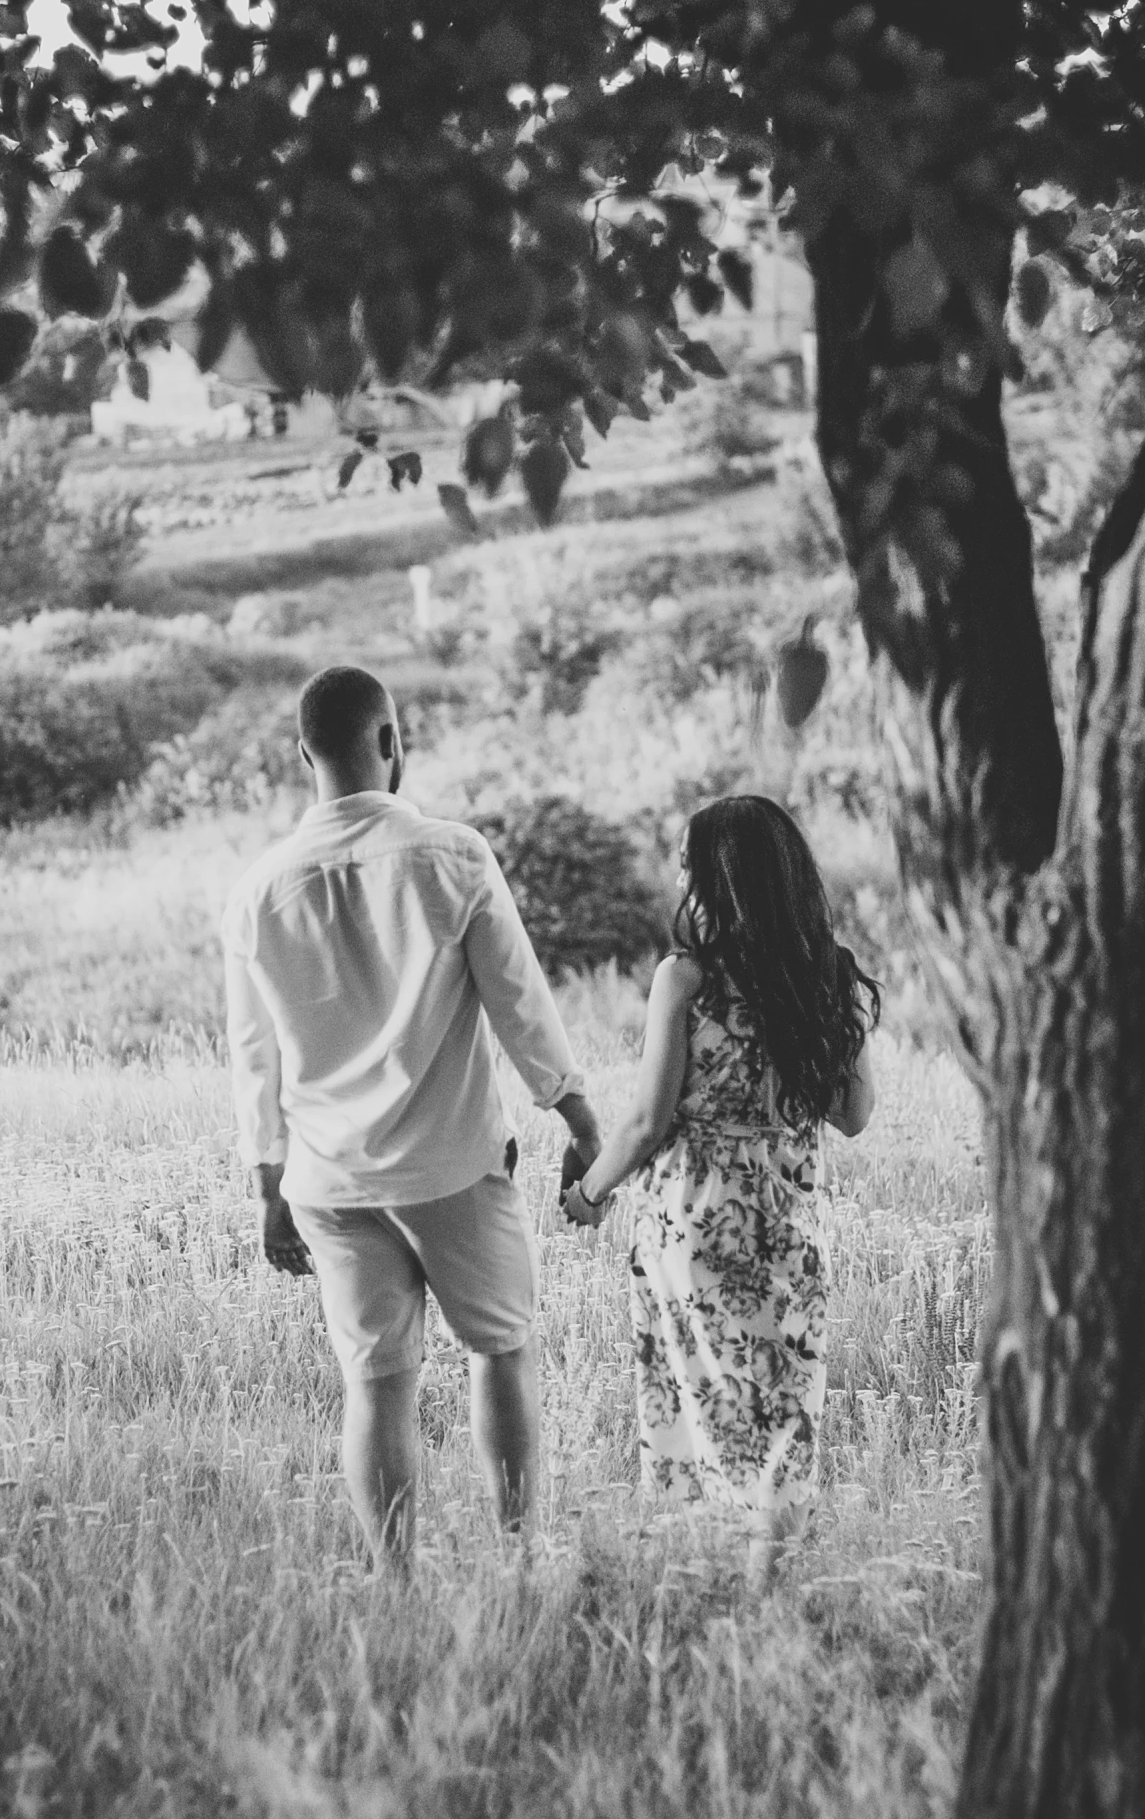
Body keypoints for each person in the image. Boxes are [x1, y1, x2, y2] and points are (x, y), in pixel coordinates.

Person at [222, 666, 603, 1567]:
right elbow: (518, 1002)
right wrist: (578, 1117)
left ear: (302, 754)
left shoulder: (256, 889)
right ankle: (515, 1561)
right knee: (501, 1352)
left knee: (375, 1385)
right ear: (391, 742)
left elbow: (252, 1054)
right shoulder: (451, 855)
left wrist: (267, 1183)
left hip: (329, 1182)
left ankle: (396, 1585)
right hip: (453, 1167)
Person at [563, 795, 878, 1556]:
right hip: (784, 1229)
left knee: (694, 1404)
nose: (677, 875)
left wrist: (586, 1191)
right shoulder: (827, 977)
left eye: (685, 862)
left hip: (692, 1223)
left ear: (716, 878)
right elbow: (854, 1113)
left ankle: (698, 1569)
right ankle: (765, 1575)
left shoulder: (686, 979)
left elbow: (646, 1122)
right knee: (779, 1413)